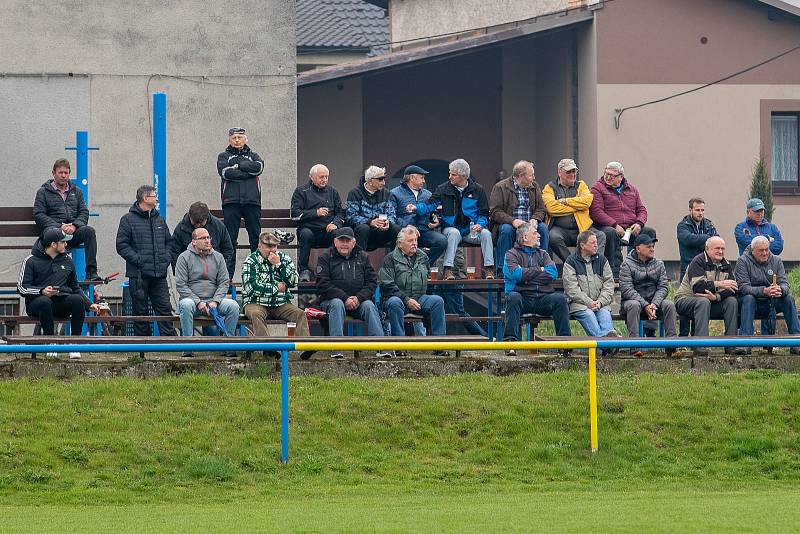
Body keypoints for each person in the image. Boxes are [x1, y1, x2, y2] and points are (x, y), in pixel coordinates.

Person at [17, 227, 101, 358]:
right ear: (53, 244)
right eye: (63, 242)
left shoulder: (68, 260)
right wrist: (41, 291)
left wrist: (89, 304)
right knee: (45, 302)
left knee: (77, 300)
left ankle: (74, 344)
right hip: (37, 303)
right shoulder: (31, 260)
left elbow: (75, 287)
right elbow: (22, 287)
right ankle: (51, 342)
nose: (66, 244)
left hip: (61, 302)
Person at [409, 158, 494, 280]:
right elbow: (430, 204)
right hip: (451, 228)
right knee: (453, 233)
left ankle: (489, 269)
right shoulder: (443, 189)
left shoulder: (478, 190)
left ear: (463, 176)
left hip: (472, 231)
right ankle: (447, 269)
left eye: (453, 174)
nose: (449, 177)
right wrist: (416, 208)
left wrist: (480, 224)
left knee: (486, 233)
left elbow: (484, 213)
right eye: (450, 173)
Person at [316, 227, 390, 359]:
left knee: (369, 306)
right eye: (341, 240)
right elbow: (323, 284)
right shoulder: (325, 257)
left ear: (354, 243)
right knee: (337, 304)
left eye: (347, 240)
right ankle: (337, 348)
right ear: (335, 242)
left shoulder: (363, 257)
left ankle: (381, 347)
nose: (344, 244)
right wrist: (345, 298)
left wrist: (358, 298)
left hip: (358, 302)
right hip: (332, 302)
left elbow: (372, 282)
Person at [502, 223, 571, 356]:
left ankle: (565, 344)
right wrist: (539, 270)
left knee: (560, 299)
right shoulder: (511, 254)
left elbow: (552, 273)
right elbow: (516, 274)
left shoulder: (543, 254)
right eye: (535, 233)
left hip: (542, 298)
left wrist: (526, 278)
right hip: (522, 298)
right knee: (513, 298)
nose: (539, 235)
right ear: (525, 237)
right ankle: (510, 344)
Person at [115, 185, 176, 336]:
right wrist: (139, 260)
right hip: (139, 275)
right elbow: (121, 245)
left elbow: (170, 243)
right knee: (140, 313)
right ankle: (142, 348)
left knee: (165, 310)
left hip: (159, 274)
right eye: (154, 196)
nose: (156, 199)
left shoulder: (159, 219)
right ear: (145, 198)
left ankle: (170, 345)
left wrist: (165, 259)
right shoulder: (127, 220)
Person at [379, 226, 448, 355]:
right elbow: (387, 285)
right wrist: (406, 299)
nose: (414, 243)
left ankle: (440, 345)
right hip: (397, 300)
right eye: (410, 241)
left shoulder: (423, 257)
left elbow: (427, 277)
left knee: (437, 301)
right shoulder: (390, 259)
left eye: (415, 240)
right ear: (400, 244)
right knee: (394, 303)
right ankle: (399, 347)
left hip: (419, 298)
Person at [674, 236, 745, 356]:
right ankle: (700, 346)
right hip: (685, 300)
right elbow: (698, 287)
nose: (721, 251)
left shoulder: (725, 265)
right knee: (703, 301)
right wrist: (720, 284)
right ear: (707, 249)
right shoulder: (698, 261)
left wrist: (716, 297)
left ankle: (731, 346)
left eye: (723, 248)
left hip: (710, 302)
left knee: (732, 301)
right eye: (717, 248)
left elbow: (733, 289)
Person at [175, 228, 240, 357]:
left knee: (234, 306)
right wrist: (198, 302)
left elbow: (224, 282)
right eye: (203, 238)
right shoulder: (184, 258)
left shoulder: (218, 257)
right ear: (194, 242)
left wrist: (216, 301)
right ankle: (187, 348)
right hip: (192, 301)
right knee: (186, 305)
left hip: (213, 301)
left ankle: (229, 346)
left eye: (208, 238)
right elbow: (181, 285)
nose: (207, 241)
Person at [33, 158, 101, 281]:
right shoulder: (43, 192)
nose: (64, 176)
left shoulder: (77, 191)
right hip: (53, 232)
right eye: (60, 173)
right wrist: (59, 226)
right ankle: (53, 275)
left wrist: (75, 225)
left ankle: (91, 272)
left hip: (72, 232)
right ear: (53, 173)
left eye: (66, 173)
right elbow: (39, 215)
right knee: (52, 233)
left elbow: (84, 212)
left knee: (89, 231)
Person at [735, 235, 800, 354]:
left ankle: (796, 341)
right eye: (761, 250)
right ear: (752, 250)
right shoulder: (742, 261)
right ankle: (745, 343)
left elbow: (785, 284)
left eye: (766, 249)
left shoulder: (776, 260)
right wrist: (764, 291)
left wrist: (780, 289)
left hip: (772, 301)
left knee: (788, 298)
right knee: (748, 298)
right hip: (751, 302)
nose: (765, 253)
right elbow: (743, 288)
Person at [589, 161, 656, 276]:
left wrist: (639, 223)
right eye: (606, 173)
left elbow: (642, 210)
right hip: (608, 226)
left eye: (612, 175)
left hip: (630, 228)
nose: (608, 177)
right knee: (610, 233)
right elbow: (596, 212)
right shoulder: (597, 188)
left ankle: (642, 265)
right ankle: (613, 270)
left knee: (649, 232)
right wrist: (614, 225)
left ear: (621, 177)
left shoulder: (632, 189)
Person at [241, 231, 310, 340]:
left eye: (274, 246)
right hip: (255, 302)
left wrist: (279, 265)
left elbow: (294, 281)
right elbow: (251, 287)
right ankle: (268, 348)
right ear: (260, 245)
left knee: (300, 314)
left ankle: (306, 346)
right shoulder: (251, 261)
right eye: (268, 246)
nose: (272, 250)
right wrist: (276, 288)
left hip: (280, 303)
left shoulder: (284, 259)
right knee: (255, 314)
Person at [618, 234, 676, 355]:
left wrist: (654, 304)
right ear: (638, 249)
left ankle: (672, 346)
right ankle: (634, 347)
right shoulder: (627, 265)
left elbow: (663, 287)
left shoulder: (659, 264)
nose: (652, 249)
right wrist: (645, 305)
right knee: (634, 305)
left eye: (653, 246)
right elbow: (627, 289)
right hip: (633, 304)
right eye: (648, 246)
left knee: (669, 305)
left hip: (653, 303)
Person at [490, 160, 548, 276]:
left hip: (529, 224)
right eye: (531, 175)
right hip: (510, 224)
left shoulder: (534, 186)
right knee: (507, 230)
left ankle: (544, 265)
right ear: (521, 176)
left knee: (543, 228)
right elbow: (495, 212)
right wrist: (513, 221)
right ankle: (503, 269)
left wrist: (535, 219)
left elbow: (541, 208)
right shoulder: (500, 187)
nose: (533, 178)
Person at [542, 158, 604, 263]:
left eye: (574, 171)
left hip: (582, 227)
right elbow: (551, 208)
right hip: (560, 229)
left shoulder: (581, 185)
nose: (572, 174)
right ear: (559, 172)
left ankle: (596, 266)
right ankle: (572, 263)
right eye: (568, 172)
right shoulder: (549, 188)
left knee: (600, 235)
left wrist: (565, 201)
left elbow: (587, 202)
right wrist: (577, 206)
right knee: (552, 237)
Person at [291, 163, 346, 282]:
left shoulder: (333, 192)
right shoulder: (301, 191)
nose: (324, 180)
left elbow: (340, 213)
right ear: (311, 177)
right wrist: (316, 213)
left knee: (338, 233)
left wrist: (335, 224)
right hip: (308, 230)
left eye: (326, 177)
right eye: (321, 177)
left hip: (327, 231)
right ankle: (304, 270)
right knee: (305, 234)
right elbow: (295, 215)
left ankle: (335, 270)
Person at [217, 127, 264, 259]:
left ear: (245, 139)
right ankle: (228, 277)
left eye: (239, 137)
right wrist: (247, 172)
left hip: (252, 202)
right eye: (234, 138)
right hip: (231, 202)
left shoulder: (254, 156)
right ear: (229, 140)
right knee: (230, 240)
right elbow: (225, 172)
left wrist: (239, 166)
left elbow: (259, 167)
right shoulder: (223, 156)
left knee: (255, 239)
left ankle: (257, 271)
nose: (237, 140)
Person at [562, 230, 618, 339]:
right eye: (593, 242)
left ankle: (606, 345)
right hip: (579, 305)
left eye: (596, 242)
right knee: (589, 315)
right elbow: (572, 290)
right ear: (582, 245)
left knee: (605, 314)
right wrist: (589, 302)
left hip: (601, 303)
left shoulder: (602, 260)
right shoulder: (570, 262)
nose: (596, 245)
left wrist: (600, 302)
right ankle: (610, 343)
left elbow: (609, 284)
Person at [390, 165, 447, 264]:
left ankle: (423, 266)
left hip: (424, 231)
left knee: (442, 241)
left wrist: (436, 220)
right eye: (422, 178)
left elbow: (435, 212)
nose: (424, 181)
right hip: (403, 232)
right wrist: (406, 226)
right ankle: (402, 268)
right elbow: (391, 216)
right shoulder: (394, 193)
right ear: (412, 178)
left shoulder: (428, 194)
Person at [171, 201, 235, 280]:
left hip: (215, 274)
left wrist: (222, 271)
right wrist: (180, 274)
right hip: (190, 275)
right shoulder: (181, 228)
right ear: (190, 217)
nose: (198, 226)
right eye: (195, 223)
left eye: (201, 223)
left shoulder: (218, 226)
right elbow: (174, 252)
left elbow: (228, 250)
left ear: (207, 217)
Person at [345, 165, 400, 252]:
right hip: (363, 231)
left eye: (384, 179)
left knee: (396, 229)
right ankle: (359, 262)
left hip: (381, 231)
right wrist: (370, 222)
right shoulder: (355, 193)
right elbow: (351, 217)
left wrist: (387, 222)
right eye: (380, 179)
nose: (384, 183)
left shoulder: (387, 193)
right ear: (370, 181)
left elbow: (392, 214)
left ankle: (396, 261)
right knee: (363, 228)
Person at [676, 197, 718, 280]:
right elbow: (688, 240)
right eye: (697, 210)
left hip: (706, 267)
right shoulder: (683, 225)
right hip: (689, 267)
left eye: (702, 210)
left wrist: (697, 241)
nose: (700, 213)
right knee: (688, 293)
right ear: (690, 210)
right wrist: (707, 239)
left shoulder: (708, 224)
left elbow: (716, 241)